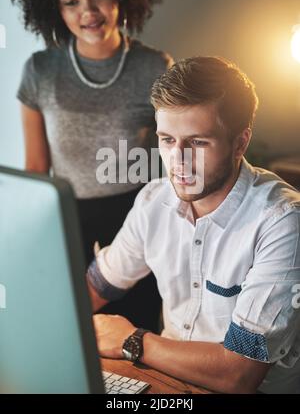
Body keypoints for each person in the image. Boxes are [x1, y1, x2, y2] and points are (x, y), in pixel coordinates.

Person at [87, 56, 300, 394]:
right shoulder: (153, 201)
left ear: (240, 142)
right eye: (168, 140)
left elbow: (239, 374)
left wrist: (133, 341)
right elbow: (99, 286)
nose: (178, 160)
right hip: (167, 386)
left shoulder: (283, 221)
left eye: (198, 142)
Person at [12, 0, 173, 331]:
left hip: (137, 219)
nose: (87, 12)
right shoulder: (40, 70)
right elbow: (36, 168)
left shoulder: (154, 66)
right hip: (67, 221)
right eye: (71, 1)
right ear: (54, 8)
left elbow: (172, 160)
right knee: (71, 331)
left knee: (137, 335)